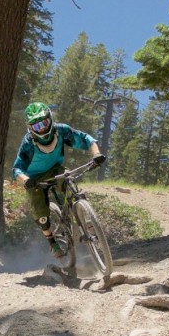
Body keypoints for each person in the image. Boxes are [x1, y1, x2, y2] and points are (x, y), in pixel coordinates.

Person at [12, 102, 105, 258]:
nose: (41, 128)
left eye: (44, 122)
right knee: (41, 213)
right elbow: (16, 168)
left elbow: (85, 139)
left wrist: (96, 154)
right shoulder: (28, 142)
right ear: (30, 128)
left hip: (55, 169)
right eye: (36, 126)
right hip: (34, 179)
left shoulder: (60, 131)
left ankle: (83, 215)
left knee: (69, 181)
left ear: (50, 119)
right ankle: (52, 243)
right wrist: (26, 179)